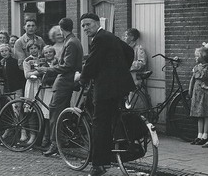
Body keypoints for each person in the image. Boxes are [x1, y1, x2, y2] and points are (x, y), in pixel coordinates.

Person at [78, 13, 135, 176]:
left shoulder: (99, 38)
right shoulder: (110, 36)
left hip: (106, 88)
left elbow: (92, 62)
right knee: (112, 119)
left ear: (97, 23)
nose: (85, 28)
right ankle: (115, 151)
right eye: (83, 26)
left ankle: (98, 165)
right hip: (120, 87)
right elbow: (129, 52)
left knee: (99, 124)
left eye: (88, 24)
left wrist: (82, 79)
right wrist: (121, 70)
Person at [38, 18, 83, 157]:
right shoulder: (74, 41)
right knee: (60, 113)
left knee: (55, 113)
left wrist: (48, 69)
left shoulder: (70, 42)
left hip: (64, 82)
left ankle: (55, 144)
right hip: (66, 81)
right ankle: (61, 140)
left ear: (61, 29)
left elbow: (67, 66)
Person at [189, 43, 208, 145]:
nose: (195, 58)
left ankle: (205, 135)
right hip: (197, 92)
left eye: (197, 56)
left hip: (206, 93)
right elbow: (192, 79)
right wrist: (190, 90)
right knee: (199, 114)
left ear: (203, 57)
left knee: (206, 114)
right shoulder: (196, 68)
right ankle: (199, 135)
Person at [39, 45, 58, 148]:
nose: (48, 54)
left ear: (54, 53)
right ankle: (46, 137)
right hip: (47, 91)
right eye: (46, 53)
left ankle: (54, 139)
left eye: (50, 52)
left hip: (56, 90)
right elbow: (43, 78)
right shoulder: (43, 64)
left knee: (55, 115)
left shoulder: (58, 63)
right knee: (46, 115)